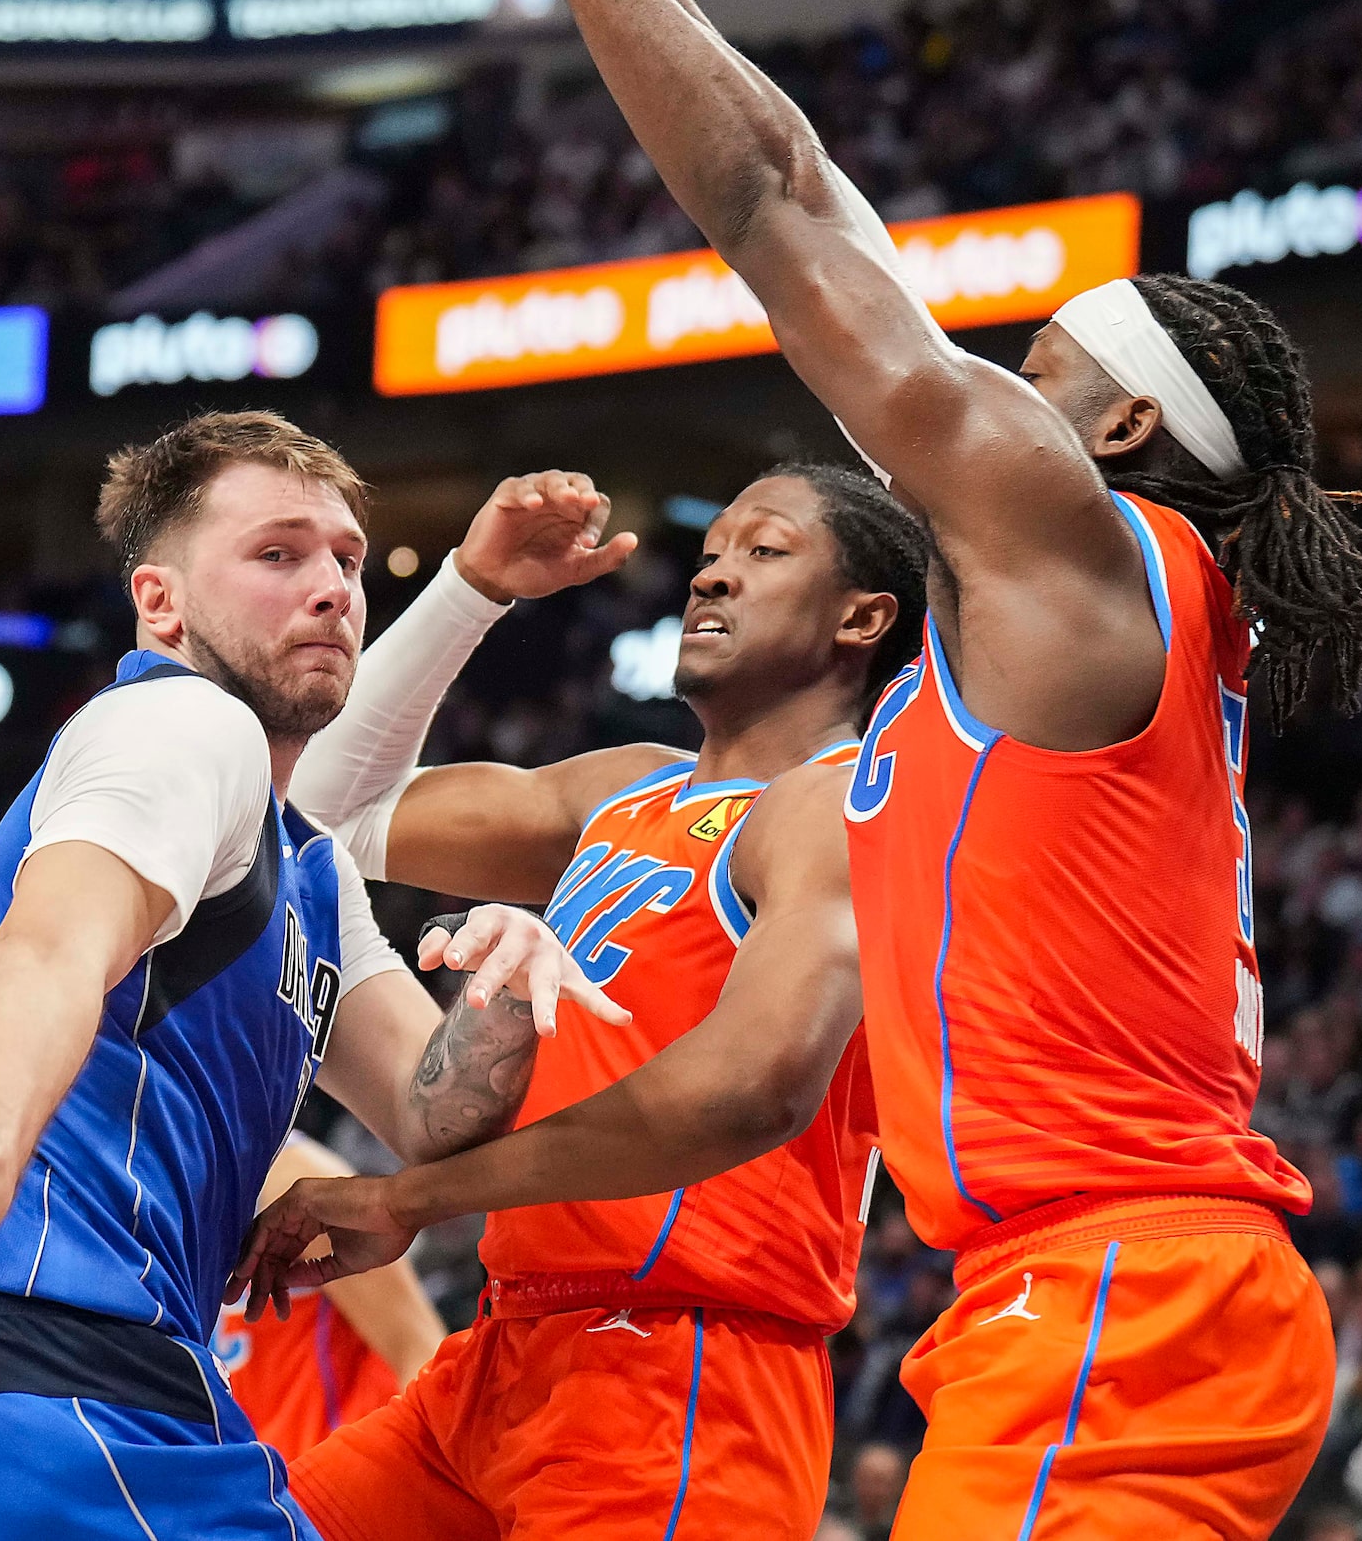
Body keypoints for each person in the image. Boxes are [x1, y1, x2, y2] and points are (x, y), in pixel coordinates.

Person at [462, 0, 1362, 1534]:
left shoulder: (1082, 541)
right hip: (1107, 1289)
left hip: (1121, 1290)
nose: (985, 384)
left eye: (1034, 363)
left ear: (1120, 422)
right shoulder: (1085, 603)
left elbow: (779, 211)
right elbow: (820, 198)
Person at [0, 411, 627, 1540]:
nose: (332, 589)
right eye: (277, 554)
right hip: (48, 1392)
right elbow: (53, 943)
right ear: (159, 603)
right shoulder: (179, 726)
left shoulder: (303, 865)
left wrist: (505, 984)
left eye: (348, 561)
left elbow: (433, 1113)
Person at [236, 464, 928, 1538]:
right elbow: (319, 805)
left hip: (684, 1368)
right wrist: (473, 586)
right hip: (505, 1350)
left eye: (763, 552)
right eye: (708, 558)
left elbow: (750, 1096)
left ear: (863, 617)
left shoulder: (842, 806)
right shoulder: (627, 788)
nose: (713, 579)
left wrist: (411, 1200)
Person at [210, 1134, 446, 1465]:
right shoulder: (139, 1195)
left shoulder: (295, 1183)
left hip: (345, 1486)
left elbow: (421, 1353)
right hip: (248, 1497)